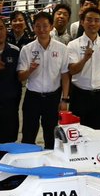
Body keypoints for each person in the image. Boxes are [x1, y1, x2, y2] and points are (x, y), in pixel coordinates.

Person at [19, 11, 67, 148]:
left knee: (51, 135)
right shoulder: (27, 49)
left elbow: (65, 75)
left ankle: (50, 164)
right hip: (32, 97)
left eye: (45, 26)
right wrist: (30, 70)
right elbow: (20, 77)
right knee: (28, 134)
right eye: (38, 26)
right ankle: (27, 164)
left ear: (51, 27)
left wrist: (65, 99)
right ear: (33, 27)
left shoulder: (62, 49)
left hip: (53, 97)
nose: (42, 29)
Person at [64, 7, 100, 129]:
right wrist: (85, 59)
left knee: (99, 131)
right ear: (82, 22)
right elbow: (72, 70)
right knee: (77, 131)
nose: (93, 23)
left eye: (96, 20)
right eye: (89, 20)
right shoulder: (73, 45)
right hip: (80, 95)